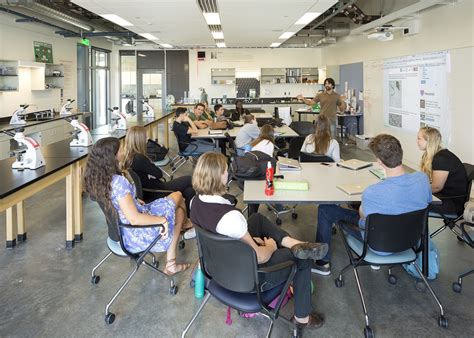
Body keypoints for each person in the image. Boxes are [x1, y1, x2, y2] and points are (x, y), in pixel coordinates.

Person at [190, 152, 329, 329]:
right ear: (218, 177)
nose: (229, 173)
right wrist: (269, 246)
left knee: (256, 219)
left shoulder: (194, 202)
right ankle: (303, 318)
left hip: (216, 268)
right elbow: (260, 257)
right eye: (226, 170)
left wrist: (252, 241)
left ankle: (293, 243)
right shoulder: (231, 217)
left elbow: (226, 236)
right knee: (302, 259)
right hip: (248, 278)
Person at [313, 134, 432, 275]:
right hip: (410, 241)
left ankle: (322, 263)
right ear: (401, 153)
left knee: (326, 209)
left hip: (379, 245)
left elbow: (363, 216)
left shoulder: (372, 192)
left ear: (379, 162)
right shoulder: (422, 180)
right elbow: (426, 202)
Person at [83, 137, 190, 276]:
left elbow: (118, 204)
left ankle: (171, 264)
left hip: (119, 231)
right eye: (120, 149)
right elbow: (134, 219)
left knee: (179, 211)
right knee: (177, 196)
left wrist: (133, 201)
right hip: (135, 233)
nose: (124, 150)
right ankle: (187, 225)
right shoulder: (118, 182)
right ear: (113, 157)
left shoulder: (98, 181)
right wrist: (162, 221)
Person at [121, 126, 196, 218]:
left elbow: (153, 173)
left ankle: (188, 218)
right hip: (156, 190)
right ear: (139, 140)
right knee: (189, 179)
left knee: (189, 190)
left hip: (148, 189)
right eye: (145, 137)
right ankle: (189, 218)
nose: (148, 139)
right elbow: (159, 173)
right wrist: (151, 167)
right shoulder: (140, 158)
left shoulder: (130, 156)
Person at [417, 126, 468, 215]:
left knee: (413, 202)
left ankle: (419, 228)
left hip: (453, 203)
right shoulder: (431, 155)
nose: (416, 141)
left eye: (419, 138)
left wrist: (417, 191)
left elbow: (437, 187)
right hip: (443, 195)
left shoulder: (442, 159)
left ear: (429, 141)